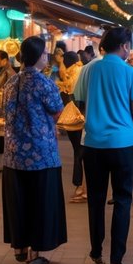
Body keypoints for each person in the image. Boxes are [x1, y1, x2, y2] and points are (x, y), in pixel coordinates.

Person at [72, 26, 133, 264]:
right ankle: (116, 263)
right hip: (123, 144)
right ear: (125, 46)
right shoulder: (131, 73)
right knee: (123, 201)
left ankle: (96, 251)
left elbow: (79, 102)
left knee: (95, 199)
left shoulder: (88, 69)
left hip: (93, 143)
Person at [1, 37, 67, 264]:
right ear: (38, 56)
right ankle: (34, 252)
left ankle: (19, 247)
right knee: (39, 201)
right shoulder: (44, 83)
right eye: (45, 54)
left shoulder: (11, 82)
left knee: (18, 201)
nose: (47, 57)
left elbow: (4, 112)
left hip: (13, 153)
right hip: (41, 153)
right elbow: (59, 111)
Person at [59, 52, 87, 203]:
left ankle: (80, 188)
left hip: (76, 118)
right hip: (79, 117)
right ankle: (80, 187)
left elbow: (76, 98)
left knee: (79, 152)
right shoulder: (80, 71)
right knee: (80, 152)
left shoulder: (73, 74)